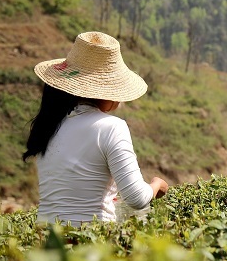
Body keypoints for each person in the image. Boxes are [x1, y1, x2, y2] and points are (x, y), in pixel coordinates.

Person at [23, 31, 169, 223]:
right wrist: (156, 185)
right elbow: (137, 198)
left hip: (46, 243)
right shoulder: (111, 128)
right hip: (88, 244)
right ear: (105, 92)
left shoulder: (49, 126)